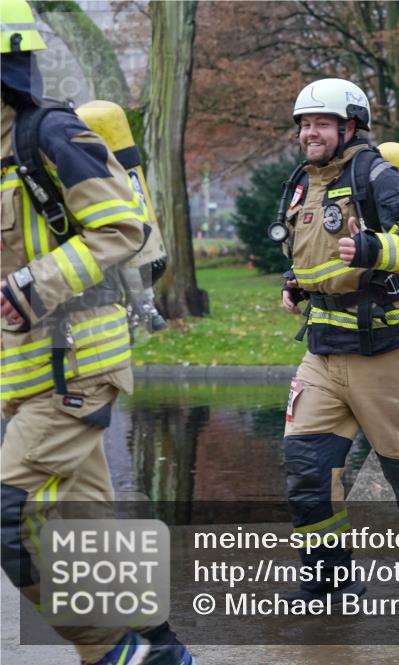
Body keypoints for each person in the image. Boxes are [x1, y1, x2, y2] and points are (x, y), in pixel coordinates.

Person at [0, 2, 195, 663]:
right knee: (87, 534)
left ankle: (117, 650)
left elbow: (123, 227)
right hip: (29, 376)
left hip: (74, 367)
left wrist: (32, 286)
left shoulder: (47, 133)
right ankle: (162, 651)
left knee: (9, 519)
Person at [278, 78, 399, 602]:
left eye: (319, 124)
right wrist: (296, 285)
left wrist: (373, 248)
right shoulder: (304, 181)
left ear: (350, 126)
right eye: (303, 124)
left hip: (384, 352)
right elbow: (310, 249)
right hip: (322, 352)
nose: (308, 134)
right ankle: (329, 579)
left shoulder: (376, 174)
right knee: (306, 471)